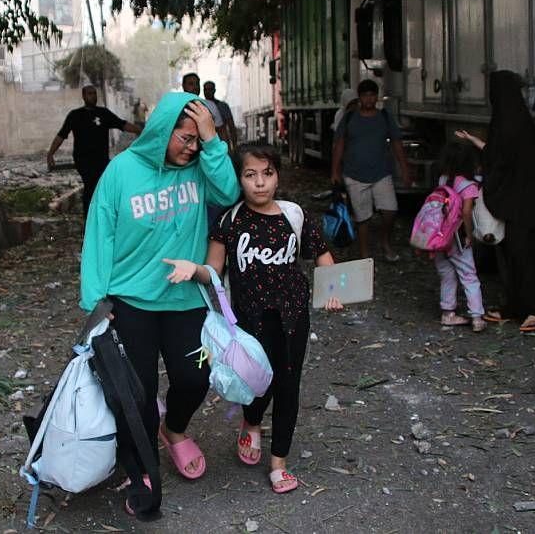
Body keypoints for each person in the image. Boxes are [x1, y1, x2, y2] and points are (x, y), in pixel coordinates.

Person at [79, 92, 240, 512]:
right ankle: (143, 465)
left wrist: (212, 142)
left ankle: (175, 429)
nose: (191, 147)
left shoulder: (200, 167)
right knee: (139, 390)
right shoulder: (120, 173)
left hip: (185, 298)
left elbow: (227, 192)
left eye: (197, 140)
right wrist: (97, 303)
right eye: (185, 138)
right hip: (131, 301)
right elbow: (100, 236)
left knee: (194, 378)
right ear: (162, 132)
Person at [162, 144, 342, 494]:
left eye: (268, 173)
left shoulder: (294, 215)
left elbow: (322, 255)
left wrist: (334, 291)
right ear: (239, 179)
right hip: (246, 322)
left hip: (292, 318)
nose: (260, 183)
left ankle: (278, 462)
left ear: (277, 176)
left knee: (288, 386)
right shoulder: (229, 220)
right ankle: (253, 420)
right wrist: (193, 269)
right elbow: (214, 271)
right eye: (250, 175)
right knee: (258, 381)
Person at [455, 70, 535, 332]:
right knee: (515, 255)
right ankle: (517, 307)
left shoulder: (508, 123)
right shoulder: (516, 121)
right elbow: (499, 153)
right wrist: (476, 142)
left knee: (524, 255)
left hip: (524, 205)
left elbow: (500, 160)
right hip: (522, 202)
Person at [330, 79, 411, 261]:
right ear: (360, 97)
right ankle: (365, 253)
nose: (369, 99)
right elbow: (339, 145)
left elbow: (397, 143)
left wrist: (405, 168)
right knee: (362, 218)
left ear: (376, 97)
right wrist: (335, 171)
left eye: (372, 95)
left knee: (390, 210)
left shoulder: (384, 117)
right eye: (365, 95)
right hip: (354, 174)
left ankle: (385, 242)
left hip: (381, 173)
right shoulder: (350, 117)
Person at [47, 85, 142, 219]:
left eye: (94, 94)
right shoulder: (75, 115)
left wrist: (140, 130)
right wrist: (51, 153)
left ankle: (105, 216)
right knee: (91, 186)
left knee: (106, 185)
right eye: (90, 94)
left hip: (101, 159)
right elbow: (61, 135)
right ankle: (90, 220)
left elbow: (122, 124)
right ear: (84, 96)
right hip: (83, 160)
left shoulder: (103, 113)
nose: (93, 96)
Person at [432, 141, 487, 333]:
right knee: (469, 276)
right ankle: (477, 316)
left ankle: (448, 313)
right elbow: (466, 212)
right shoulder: (468, 185)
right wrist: (469, 235)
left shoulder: (442, 180)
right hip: (457, 236)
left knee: (446, 274)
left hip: (439, 236)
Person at [181, 73, 230, 145]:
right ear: (183, 86)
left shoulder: (210, 105)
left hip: (208, 152)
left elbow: (221, 131)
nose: (195, 87)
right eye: (191, 84)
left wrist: (226, 152)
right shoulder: (178, 107)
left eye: (197, 84)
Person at [203, 81, 237, 149]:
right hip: (207, 143)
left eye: (210, 89)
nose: (207, 92)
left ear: (214, 90)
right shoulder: (201, 105)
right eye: (206, 89)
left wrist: (234, 144)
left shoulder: (223, 106)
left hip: (222, 141)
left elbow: (231, 126)